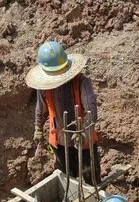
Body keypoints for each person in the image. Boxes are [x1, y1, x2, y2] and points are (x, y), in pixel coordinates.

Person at [25, 41, 101, 185]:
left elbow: (91, 110)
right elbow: (41, 108)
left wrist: (84, 132)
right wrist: (38, 128)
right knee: (68, 180)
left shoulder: (81, 82)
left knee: (91, 180)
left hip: (83, 141)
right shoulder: (44, 86)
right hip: (59, 141)